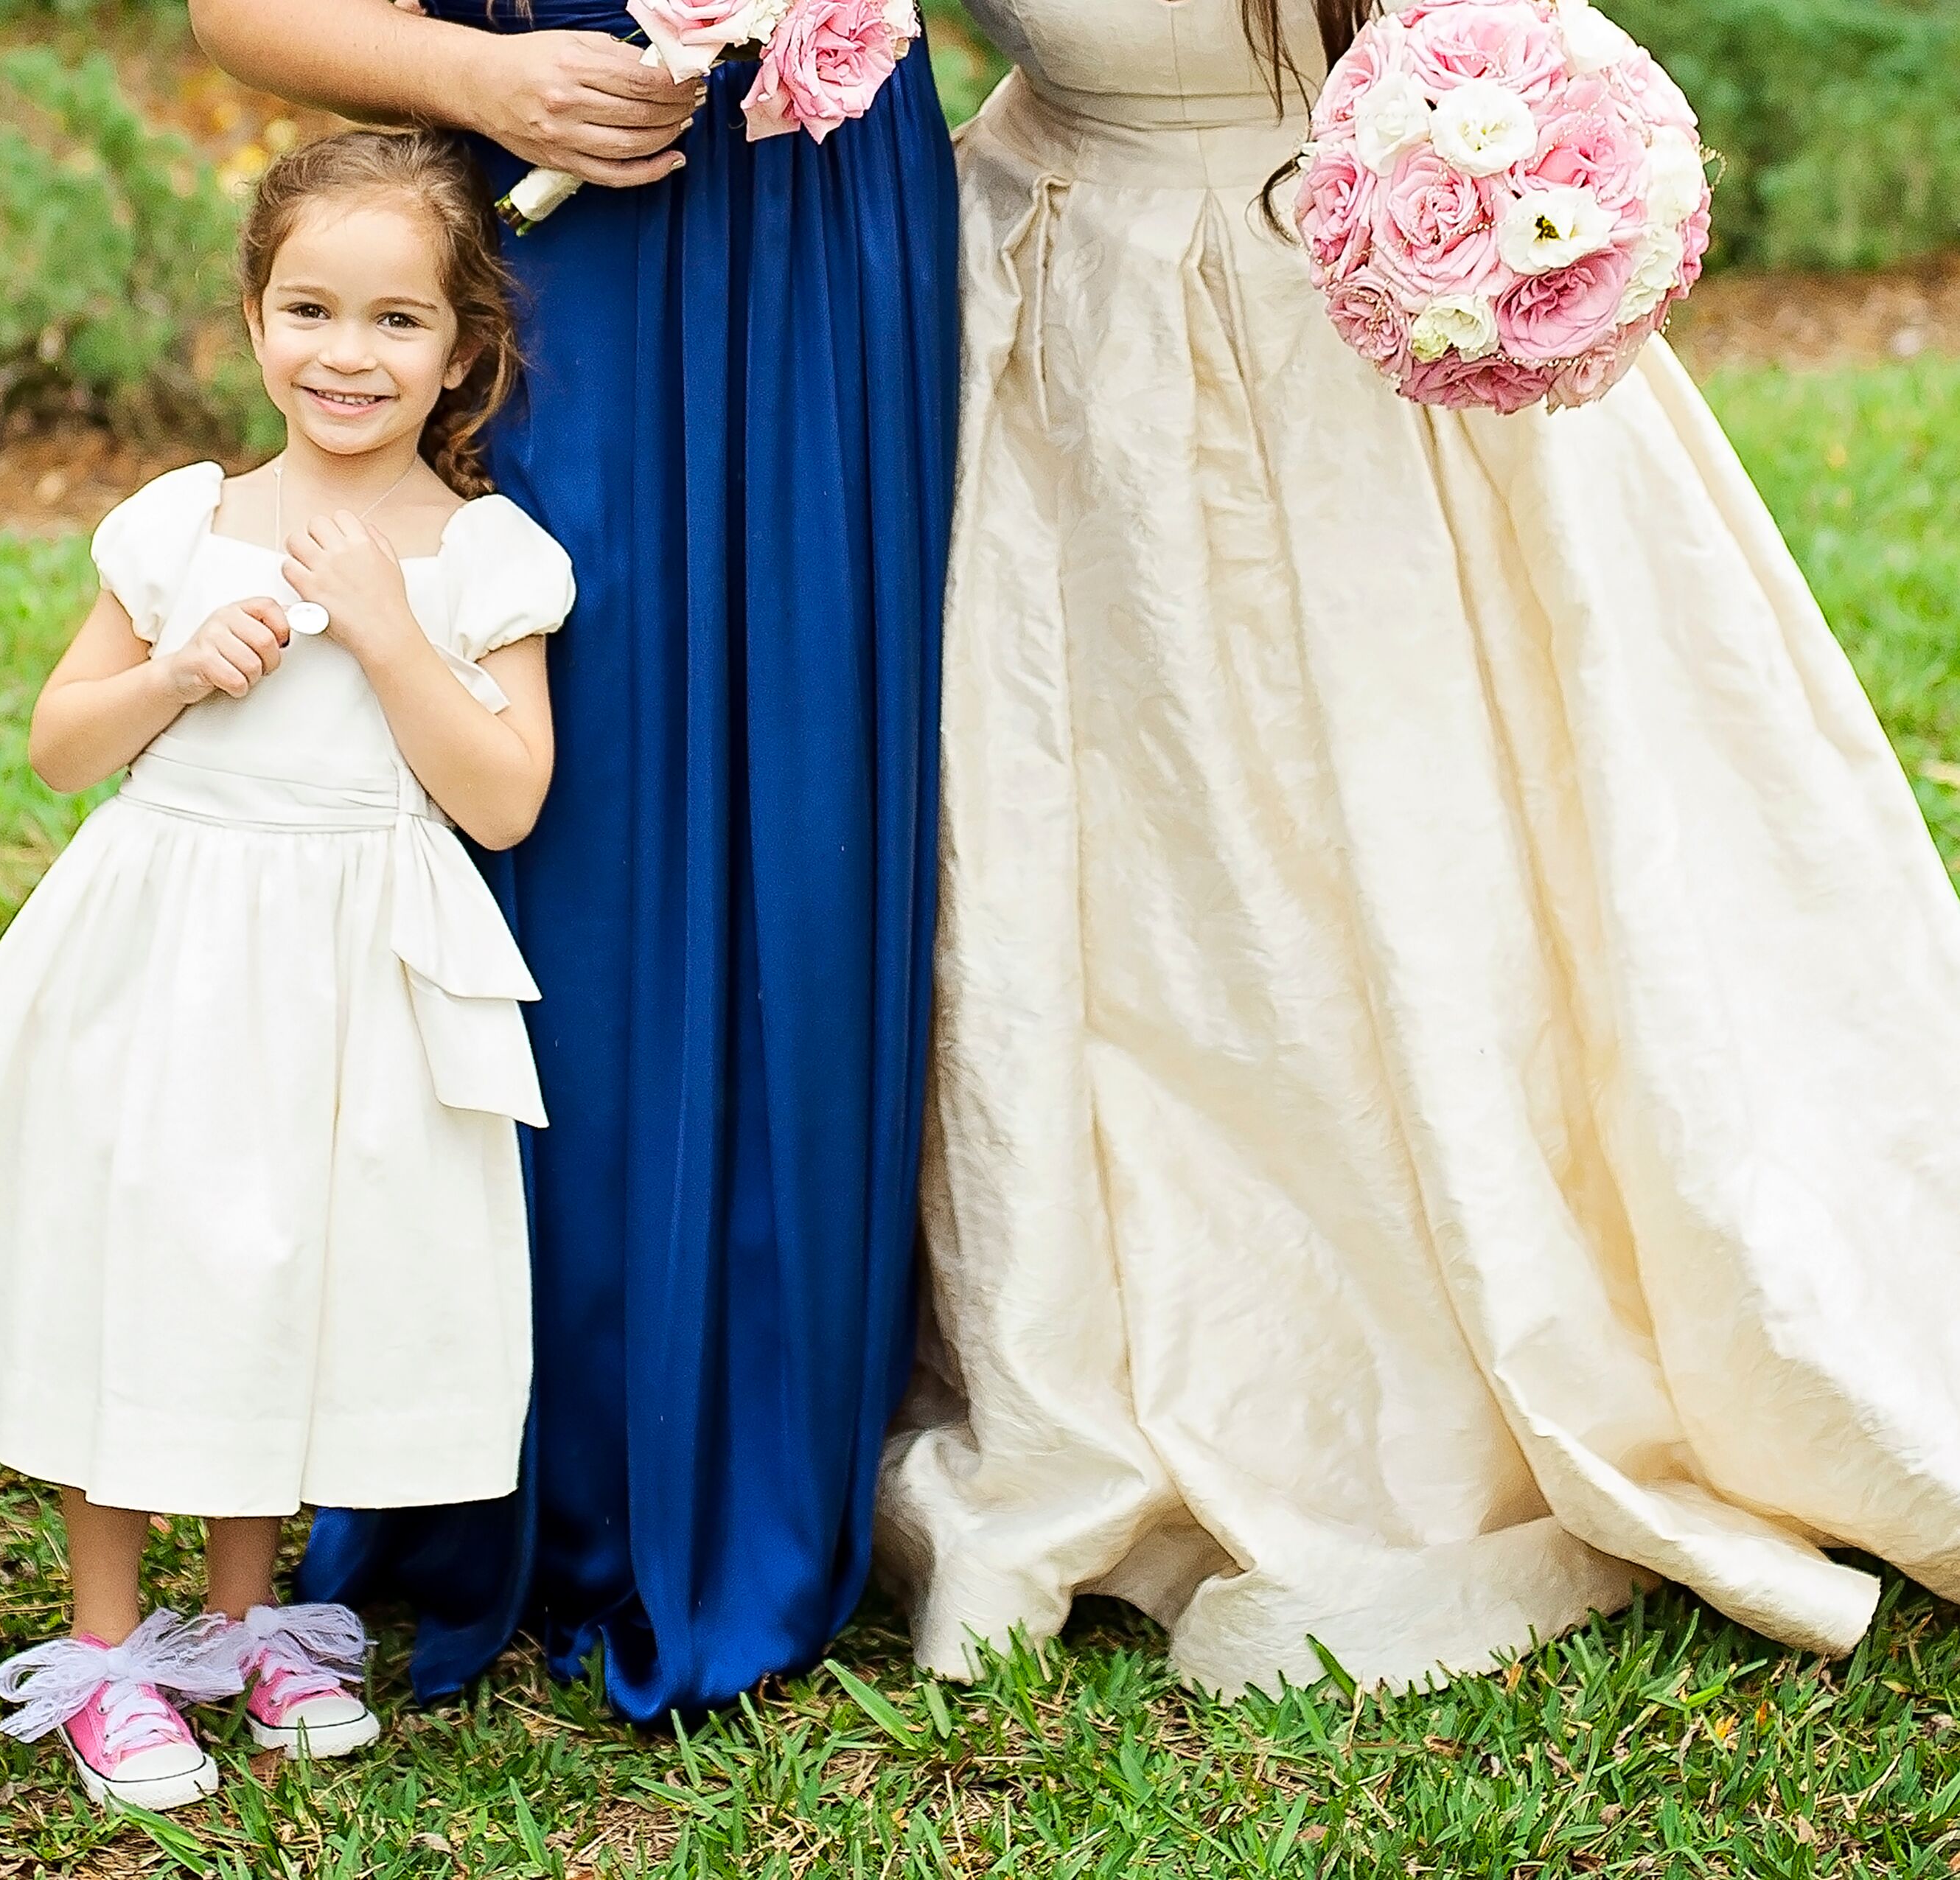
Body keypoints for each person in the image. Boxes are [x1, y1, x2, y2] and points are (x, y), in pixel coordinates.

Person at [879, 0, 1960, 1698]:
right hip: (1059, 306)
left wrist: (1520, 176)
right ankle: (1180, 1317)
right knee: (1143, 874)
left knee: (1431, 818)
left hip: (1366, 314)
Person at [191, 1, 958, 1718]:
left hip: (825, 206)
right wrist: (483, 76)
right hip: (554, 210)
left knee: (805, 782)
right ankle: (492, 1456)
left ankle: (762, 1450)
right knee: (582, 774)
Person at [0, 130, 576, 1806]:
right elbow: (57, 746)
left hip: (351, 979)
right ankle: (107, 1646)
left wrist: (387, 630)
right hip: (165, 960)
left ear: (464, 348)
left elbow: (508, 797)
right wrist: (169, 671)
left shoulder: (486, 557)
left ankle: (241, 1620)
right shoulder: (183, 526)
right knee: (142, 1269)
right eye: (310, 308)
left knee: (276, 1278)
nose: (347, 353)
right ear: (252, 320)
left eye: (396, 321)